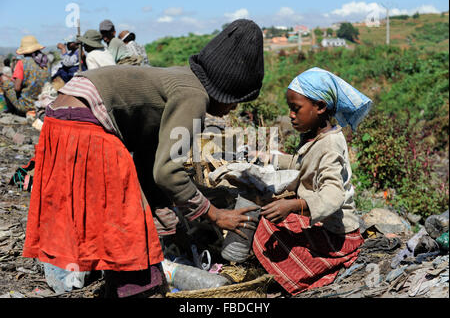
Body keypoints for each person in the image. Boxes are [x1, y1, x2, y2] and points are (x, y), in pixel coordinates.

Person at [22, 19, 264, 298]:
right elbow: (168, 172)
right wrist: (214, 214)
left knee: (119, 217)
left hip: (62, 117)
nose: (233, 107)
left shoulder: (179, 79)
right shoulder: (194, 97)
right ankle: (139, 290)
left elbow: (149, 165)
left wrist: (168, 219)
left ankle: (122, 285)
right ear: (225, 88)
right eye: (236, 99)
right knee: (129, 236)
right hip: (86, 125)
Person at [252, 67, 372, 296]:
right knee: (270, 217)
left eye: (296, 109)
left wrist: (294, 206)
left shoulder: (329, 145)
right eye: (290, 109)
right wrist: (271, 158)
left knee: (267, 224)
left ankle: (304, 272)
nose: (291, 115)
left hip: (337, 234)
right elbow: (302, 165)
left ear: (320, 107)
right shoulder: (318, 137)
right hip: (325, 223)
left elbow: (332, 195)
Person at [0, 35, 50, 116]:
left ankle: (13, 110)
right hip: (44, 103)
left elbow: (17, 88)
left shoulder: (22, 63)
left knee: (4, 80)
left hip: (27, 105)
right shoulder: (46, 61)